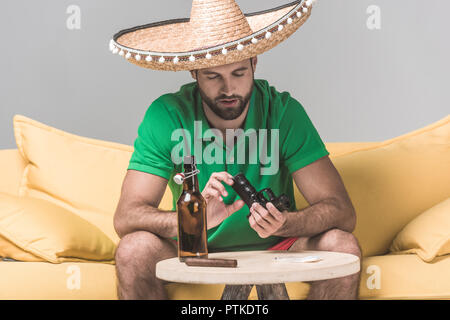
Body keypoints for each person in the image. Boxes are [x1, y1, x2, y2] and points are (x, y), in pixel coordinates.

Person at [110, 0, 361, 300]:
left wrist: (285, 223)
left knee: (343, 245)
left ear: (254, 62)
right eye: (213, 76)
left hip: (279, 245)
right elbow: (126, 217)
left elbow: (342, 212)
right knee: (133, 250)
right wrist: (195, 220)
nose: (228, 89)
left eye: (239, 73)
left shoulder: (283, 112)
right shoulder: (166, 115)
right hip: (193, 246)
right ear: (194, 71)